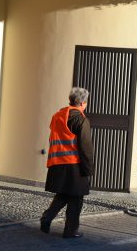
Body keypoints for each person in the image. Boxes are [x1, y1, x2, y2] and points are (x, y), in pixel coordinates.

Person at [40, 87, 94, 238]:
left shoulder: (57, 116)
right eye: (86, 102)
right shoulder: (81, 119)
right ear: (83, 103)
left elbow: (53, 138)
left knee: (63, 194)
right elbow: (86, 147)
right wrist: (88, 169)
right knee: (76, 198)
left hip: (57, 162)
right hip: (74, 164)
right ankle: (70, 231)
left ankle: (47, 216)